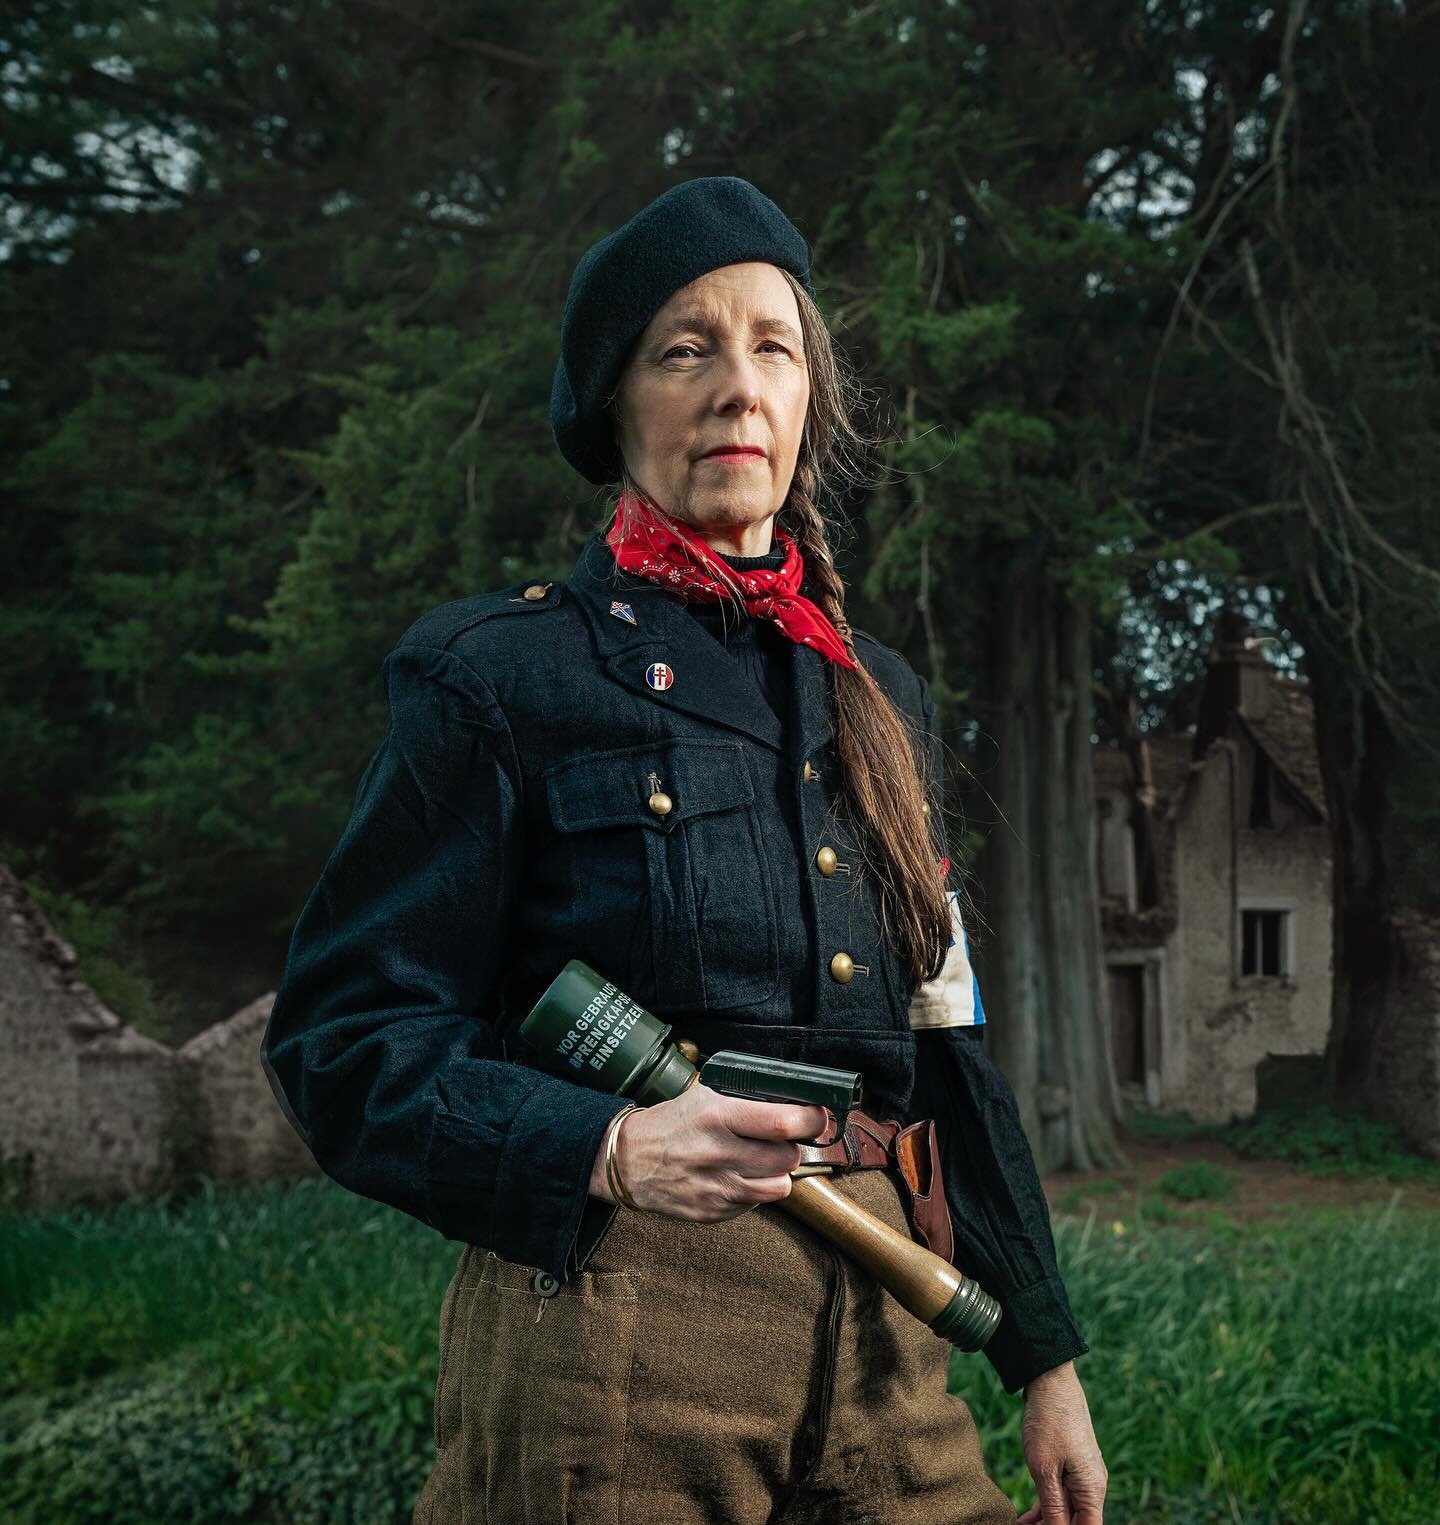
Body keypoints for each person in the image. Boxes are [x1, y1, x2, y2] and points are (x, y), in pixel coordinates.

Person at [261, 176, 1106, 1524]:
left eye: (774, 346)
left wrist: (1043, 1356)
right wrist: (607, 1145)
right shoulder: (498, 674)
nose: (738, 386)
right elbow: (341, 1036)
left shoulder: (878, 697)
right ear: (615, 404)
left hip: (892, 1310)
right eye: (685, 348)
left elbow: (946, 1048)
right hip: (623, 1320)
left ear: (808, 399)